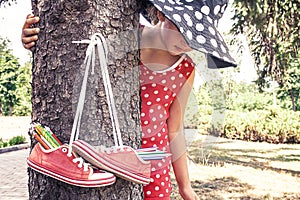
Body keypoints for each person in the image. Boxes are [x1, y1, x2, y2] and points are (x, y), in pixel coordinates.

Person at [22, 1, 236, 199]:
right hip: (104, 157)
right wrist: (34, 39)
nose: (187, 43)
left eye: (196, 39)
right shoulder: (124, 34)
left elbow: (175, 128)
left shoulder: (185, 69)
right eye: (183, 31)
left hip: (153, 164)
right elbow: (69, 50)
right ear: (163, 14)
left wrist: (185, 185)